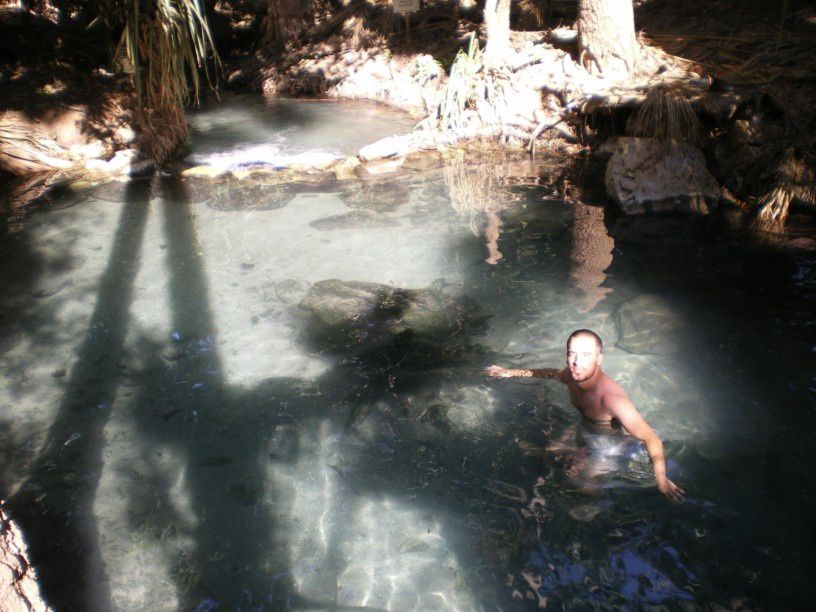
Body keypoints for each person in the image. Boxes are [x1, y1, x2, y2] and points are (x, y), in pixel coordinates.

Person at [485, 329, 685, 503]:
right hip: (584, 429)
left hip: (607, 443)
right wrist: (510, 372)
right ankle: (546, 453)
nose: (577, 362)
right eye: (572, 354)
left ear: (599, 359)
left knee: (582, 483)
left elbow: (651, 439)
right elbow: (548, 373)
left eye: (586, 355)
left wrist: (662, 480)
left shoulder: (611, 399)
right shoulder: (570, 376)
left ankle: (594, 508)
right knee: (551, 453)